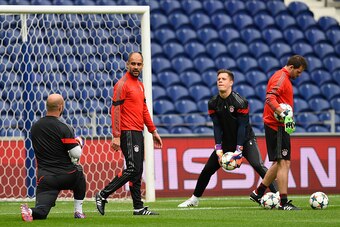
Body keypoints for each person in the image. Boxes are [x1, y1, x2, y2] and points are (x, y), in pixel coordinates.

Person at [178, 69, 278, 208]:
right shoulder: (213, 103)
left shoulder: (240, 102)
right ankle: (194, 199)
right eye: (218, 79)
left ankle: (279, 195)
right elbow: (217, 126)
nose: (220, 81)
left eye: (223, 79)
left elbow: (242, 126)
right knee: (207, 170)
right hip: (226, 142)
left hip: (245, 139)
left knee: (258, 165)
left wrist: (239, 150)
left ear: (231, 82)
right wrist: (218, 148)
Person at [95, 52, 163, 216]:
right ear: (127, 64)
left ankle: (138, 207)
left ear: (143, 65)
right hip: (127, 132)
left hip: (138, 131)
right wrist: (116, 135)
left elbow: (144, 109)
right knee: (133, 168)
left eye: (139, 64)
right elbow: (115, 110)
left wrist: (153, 130)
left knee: (137, 171)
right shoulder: (122, 84)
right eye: (133, 64)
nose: (136, 67)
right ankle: (103, 194)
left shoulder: (139, 85)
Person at [250, 55, 307, 210]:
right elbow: (269, 98)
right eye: (299, 72)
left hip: (278, 125)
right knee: (284, 162)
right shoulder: (281, 78)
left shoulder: (283, 77)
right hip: (277, 125)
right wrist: (285, 115)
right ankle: (283, 203)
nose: (299, 75)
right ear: (291, 67)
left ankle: (258, 192)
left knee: (279, 161)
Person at [20, 94, 86, 222]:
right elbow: (76, 154)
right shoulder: (64, 128)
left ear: (47, 107)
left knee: (41, 212)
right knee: (79, 172)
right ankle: (78, 211)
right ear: (61, 107)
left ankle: (29, 211)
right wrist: (79, 142)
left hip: (45, 178)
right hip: (67, 175)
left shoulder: (35, 127)